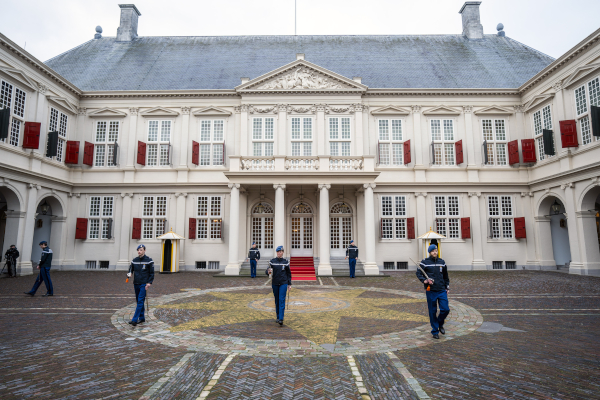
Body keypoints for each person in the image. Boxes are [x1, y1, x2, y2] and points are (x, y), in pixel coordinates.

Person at [416, 244, 450, 339]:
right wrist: (425, 280)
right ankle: (435, 331)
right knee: (432, 311)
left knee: (445, 309)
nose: (435, 252)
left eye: (436, 250)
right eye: (433, 251)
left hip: (442, 290)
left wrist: (447, 287)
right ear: (430, 252)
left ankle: (439, 323)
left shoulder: (442, 262)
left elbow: (445, 276)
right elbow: (418, 273)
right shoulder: (424, 262)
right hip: (431, 290)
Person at [127, 244, 154, 326]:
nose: (139, 251)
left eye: (141, 250)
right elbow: (130, 270)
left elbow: (151, 273)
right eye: (138, 250)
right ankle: (142, 318)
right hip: (136, 283)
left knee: (140, 301)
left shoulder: (149, 260)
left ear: (144, 251)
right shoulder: (134, 260)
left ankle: (134, 319)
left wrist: (149, 283)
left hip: (144, 284)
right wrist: (129, 274)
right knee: (139, 301)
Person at [266, 245, 292, 326]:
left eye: (280, 252)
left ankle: (281, 318)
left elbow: (288, 273)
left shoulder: (286, 262)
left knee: (281, 300)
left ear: (283, 252)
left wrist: (289, 284)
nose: (278, 253)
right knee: (277, 300)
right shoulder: (272, 261)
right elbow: (267, 271)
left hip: (283, 283)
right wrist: (268, 271)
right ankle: (278, 316)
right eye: (277, 252)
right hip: (275, 283)